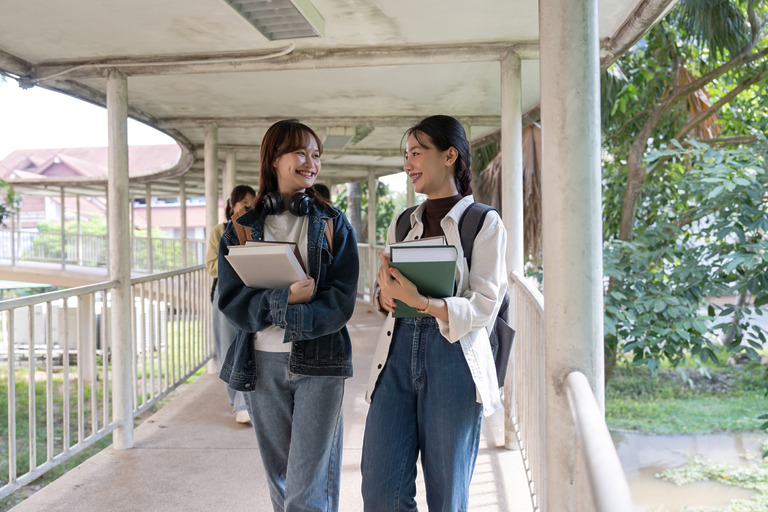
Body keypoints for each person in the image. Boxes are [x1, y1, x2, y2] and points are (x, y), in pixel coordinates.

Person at [361, 115, 508, 511]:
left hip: (454, 361)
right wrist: (385, 296)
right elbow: (385, 288)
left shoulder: (483, 223)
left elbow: (485, 304)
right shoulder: (402, 222)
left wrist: (425, 302)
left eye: (416, 153)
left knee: (447, 497)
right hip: (395, 354)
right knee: (380, 492)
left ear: (449, 155)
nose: (407, 163)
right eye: (406, 155)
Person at [217, 119, 359, 512]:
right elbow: (232, 300)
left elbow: (342, 299)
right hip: (262, 364)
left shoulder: (333, 224)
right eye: (301, 152)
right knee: (281, 482)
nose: (311, 163)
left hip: (320, 363)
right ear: (274, 159)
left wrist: (292, 317)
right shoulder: (241, 230)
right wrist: (285, 300)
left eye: (316, 155)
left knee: (306, 490)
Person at [206, 184, 255, 424]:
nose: (248, 206)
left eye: (252, 203)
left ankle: (245, 403)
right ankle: (237, 402)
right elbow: (211, 266)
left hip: (252, 292)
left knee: (250, 346)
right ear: (232, 204)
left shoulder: (257, 229)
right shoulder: (220, 231)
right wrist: (238, 262)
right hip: (225, 293)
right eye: (244, 202)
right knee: (227, 348)